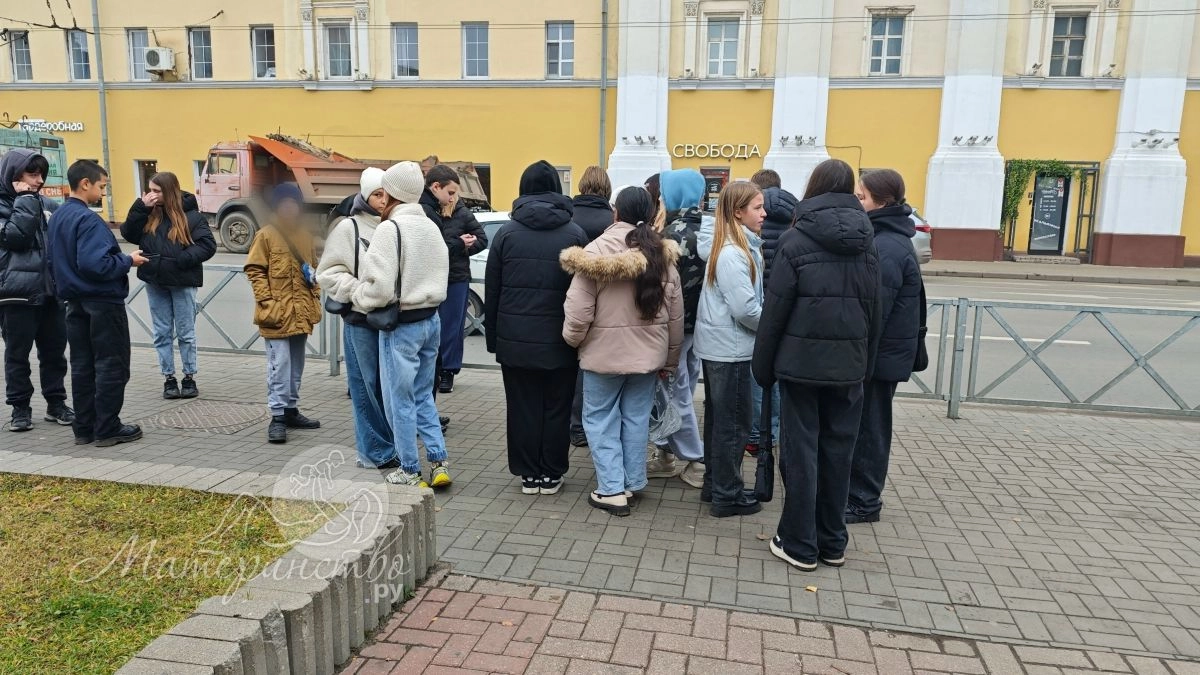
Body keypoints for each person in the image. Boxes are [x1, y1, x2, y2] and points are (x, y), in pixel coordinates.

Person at [752, 159, 881, 571]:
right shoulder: (868, 241)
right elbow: (875, 311)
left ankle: (799, 543)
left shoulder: (795, 240)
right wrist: (866, 361)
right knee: (839, 451)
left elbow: (775, 311)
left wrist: (763, 366)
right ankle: (833, 541)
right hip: (850, 366)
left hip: (800, 365)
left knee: (801, 451)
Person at [562, 187, 683, 517]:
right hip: (648, 358)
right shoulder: (662, 255)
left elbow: (578, 311)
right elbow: (675, 315)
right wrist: (670, 360)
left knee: (599, 419)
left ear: (615, 212)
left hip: (603, 357)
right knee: (636, 418)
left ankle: (612, 489)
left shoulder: (595, 251)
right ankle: (632, 481)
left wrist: (574, 341)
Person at [486, 160, 589, 495]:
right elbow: (584, 293)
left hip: (515, 343)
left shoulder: (506, 234)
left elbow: (493, 290)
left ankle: (529, 473)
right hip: (562, 341)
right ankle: (552, 472)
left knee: (522, 407)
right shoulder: (574, 234)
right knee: (557, 407)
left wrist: (494, 341)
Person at [351, 161, 452, 488]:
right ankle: (438, 462)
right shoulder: (431, 226)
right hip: (431, 320)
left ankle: (410, 470)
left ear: (392, 193)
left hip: (401, 326)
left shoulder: (389, 229)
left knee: (401, 401)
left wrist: (358, 295)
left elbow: (378, 288)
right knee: (424, 395)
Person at [46, 160, 148, 446]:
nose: (103, 193)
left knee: (82, 366)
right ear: (85, 184)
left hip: (73, 301)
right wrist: (129, 260)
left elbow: (53, 260)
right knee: (111, 366)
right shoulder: (89, 219)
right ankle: (107, 427)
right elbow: (95, 264)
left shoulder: (59, 215)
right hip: (101, 302)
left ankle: (84, 427)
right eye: (101, 186)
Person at [846, 169, 922, 524]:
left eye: (862, 197)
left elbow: (876, 309)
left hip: (879, 357)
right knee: (869, 426)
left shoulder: (886, 245)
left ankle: (863, 501)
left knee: (871, 428)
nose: (857, 202)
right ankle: (860, 494)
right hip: (882, 354)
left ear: (882, 202)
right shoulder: (888, 236)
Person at [318, 167, 399, 469]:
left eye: (387, 194)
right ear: (365, 196)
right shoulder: (348, 228)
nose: (382, 200)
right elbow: (326, 273)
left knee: (388, 387)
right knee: (366, 387)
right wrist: (359, 292)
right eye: (377, 194)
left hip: (394, 319)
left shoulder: (396, 225)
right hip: (361, 320)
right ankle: (374, 452)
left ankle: (389, 446)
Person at [694, 181, 766, 518]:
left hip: (723, 347)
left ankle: (716, 486)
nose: (764, 214)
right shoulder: (734, 253)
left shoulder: (732, 246)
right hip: (731, 349)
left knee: (721, 422)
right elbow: (746, 309)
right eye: (757, 207)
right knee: (733, 425)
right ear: (738, 212)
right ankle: (728, 494)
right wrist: (772, 329)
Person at [119, 171, 217, 400]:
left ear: (169, 191)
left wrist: (183, 259)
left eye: (156, 191)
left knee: (186, 333)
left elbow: (207, 245)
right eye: (149, 190)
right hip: (155, 280)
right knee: (162, 332)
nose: (151, 195)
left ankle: (189, 377)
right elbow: (128, 233)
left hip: (182, 281)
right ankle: (169, 378)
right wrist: (139, 207)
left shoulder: (190, 215)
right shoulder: (148, 214)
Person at [243, 182, 323, 444]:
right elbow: (254, 270)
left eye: (294, 203)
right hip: (276, 313)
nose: (290, 208)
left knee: (296, 365)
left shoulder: (305, 235)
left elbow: (313, 267)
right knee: (280, 365)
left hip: (301, 311)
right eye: (284, 203)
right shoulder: (265, 234)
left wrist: (316, 292)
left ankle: (291, 410)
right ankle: (277, 416)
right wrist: (266, 300)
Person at [0, 148, 72, 432]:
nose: (39, 180)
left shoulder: (47, 204)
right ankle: (20, 409)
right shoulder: (12, 204)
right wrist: (26, 200)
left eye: (41, 174)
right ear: (13, 175)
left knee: (54, 353)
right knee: (18, 355)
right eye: (32, 174)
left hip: (51, 292)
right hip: (16, 293)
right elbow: (16, 238)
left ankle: (56, 404)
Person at [645, 169, 707, 489]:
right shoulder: (712, 227)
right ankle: (666, 455)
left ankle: (697, 461)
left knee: (674, 392)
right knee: (683, 388)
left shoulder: (670, 233)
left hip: (675, 328)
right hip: (701, 327)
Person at [420, 164, 487, 396]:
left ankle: (448, 371)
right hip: (434, 277)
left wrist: (464, 249)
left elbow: (482, 239)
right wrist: (458, 245)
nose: (450, 199)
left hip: (456, 276)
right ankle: (436, 371)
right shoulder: (430, 211)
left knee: (451, 327)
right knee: (434, 328)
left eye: (453, 195)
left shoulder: (462, 213)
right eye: (449, 193)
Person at [745, 169, 797, 457]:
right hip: (784, 305)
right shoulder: (796, 213)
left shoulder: (755, 216)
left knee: (757, 373)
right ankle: (774, 431)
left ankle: (756, 432)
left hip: (758, 303)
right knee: (777, 373)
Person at [567, 165, 615, 446]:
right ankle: (585, 425)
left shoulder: (569, 217)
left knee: (570, 366)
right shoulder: (613, 219)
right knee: (590, 369)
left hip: (570, 300)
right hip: (605, 304)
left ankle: (571, 425)